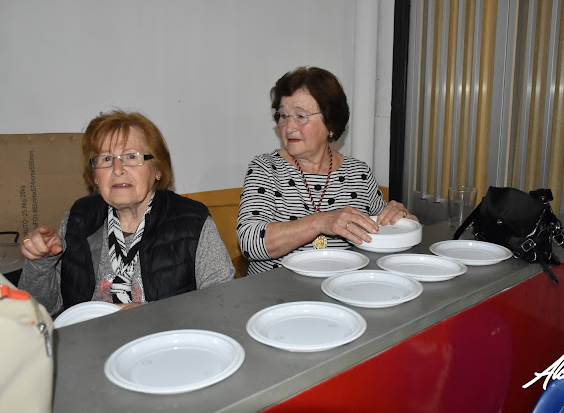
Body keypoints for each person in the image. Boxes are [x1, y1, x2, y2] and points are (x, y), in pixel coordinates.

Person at [19, 110, 234, 315]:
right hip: (87, 339)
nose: (117, 169)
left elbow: (223, 304)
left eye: (131, 156)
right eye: (106, 159)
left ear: (158, 169)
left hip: (165, 339)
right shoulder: (78, 219)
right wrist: (42, 261)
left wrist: (155, 316)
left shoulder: (192, 221)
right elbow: (37, 310)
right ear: (94, 176)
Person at [237, 67, 418, 275]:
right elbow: (249, 243)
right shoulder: (266, 169)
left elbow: (386, 232)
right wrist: (320, 222)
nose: (288, 127)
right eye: (283, 116)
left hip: (344, 287)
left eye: (300, 116)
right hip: (276, 291)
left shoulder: (358, 173)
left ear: (330, 124)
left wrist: (402, 219)